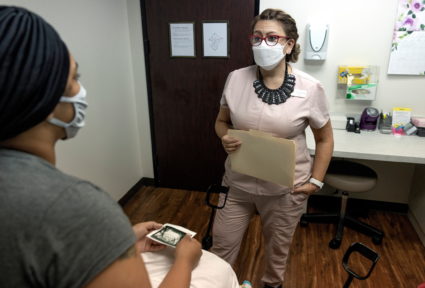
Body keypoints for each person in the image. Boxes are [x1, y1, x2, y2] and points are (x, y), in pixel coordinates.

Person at [0, 6, 240, 288]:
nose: (80, 91)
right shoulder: (74, 208)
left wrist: (117, 239)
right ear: (43, 93)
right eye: (75, 78)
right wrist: (185, 260)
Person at [210, 8, 334, 288]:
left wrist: (316, 181)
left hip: (284, 190)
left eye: (271, 37)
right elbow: (221, 122)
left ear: (288, 44)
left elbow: (325, 139)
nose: (262, 43)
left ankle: (271, 284)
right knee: (222, 246)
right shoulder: (236, 78)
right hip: (238, 183)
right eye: (257, 37)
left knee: (277, 251)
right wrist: (224, 137)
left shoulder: (310, 88)